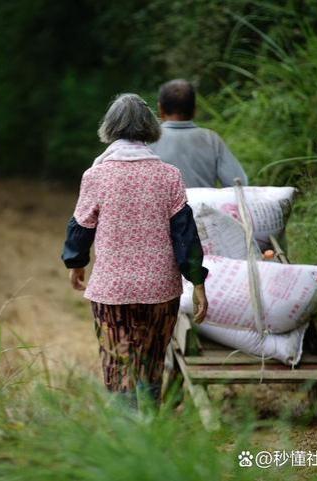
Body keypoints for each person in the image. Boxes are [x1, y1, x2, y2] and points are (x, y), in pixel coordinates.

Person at [61, 93, 208, 407]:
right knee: (152, 363)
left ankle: (127, 440)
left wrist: (76, 263)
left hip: (112, 289)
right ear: (150, 128)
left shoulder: (96, 175)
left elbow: (81, 226)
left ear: (110, 128)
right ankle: (149, 429)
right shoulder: (169, 175)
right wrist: (197, 282)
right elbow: (185, 235)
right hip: (160, 288)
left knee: (118, 362)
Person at [150, 79, 248, 188]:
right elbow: (238, 182)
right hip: (203, 205)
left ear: (160, 109)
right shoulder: (211, 139)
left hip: (165, 205)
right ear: (195, 110)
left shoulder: (148, 139)